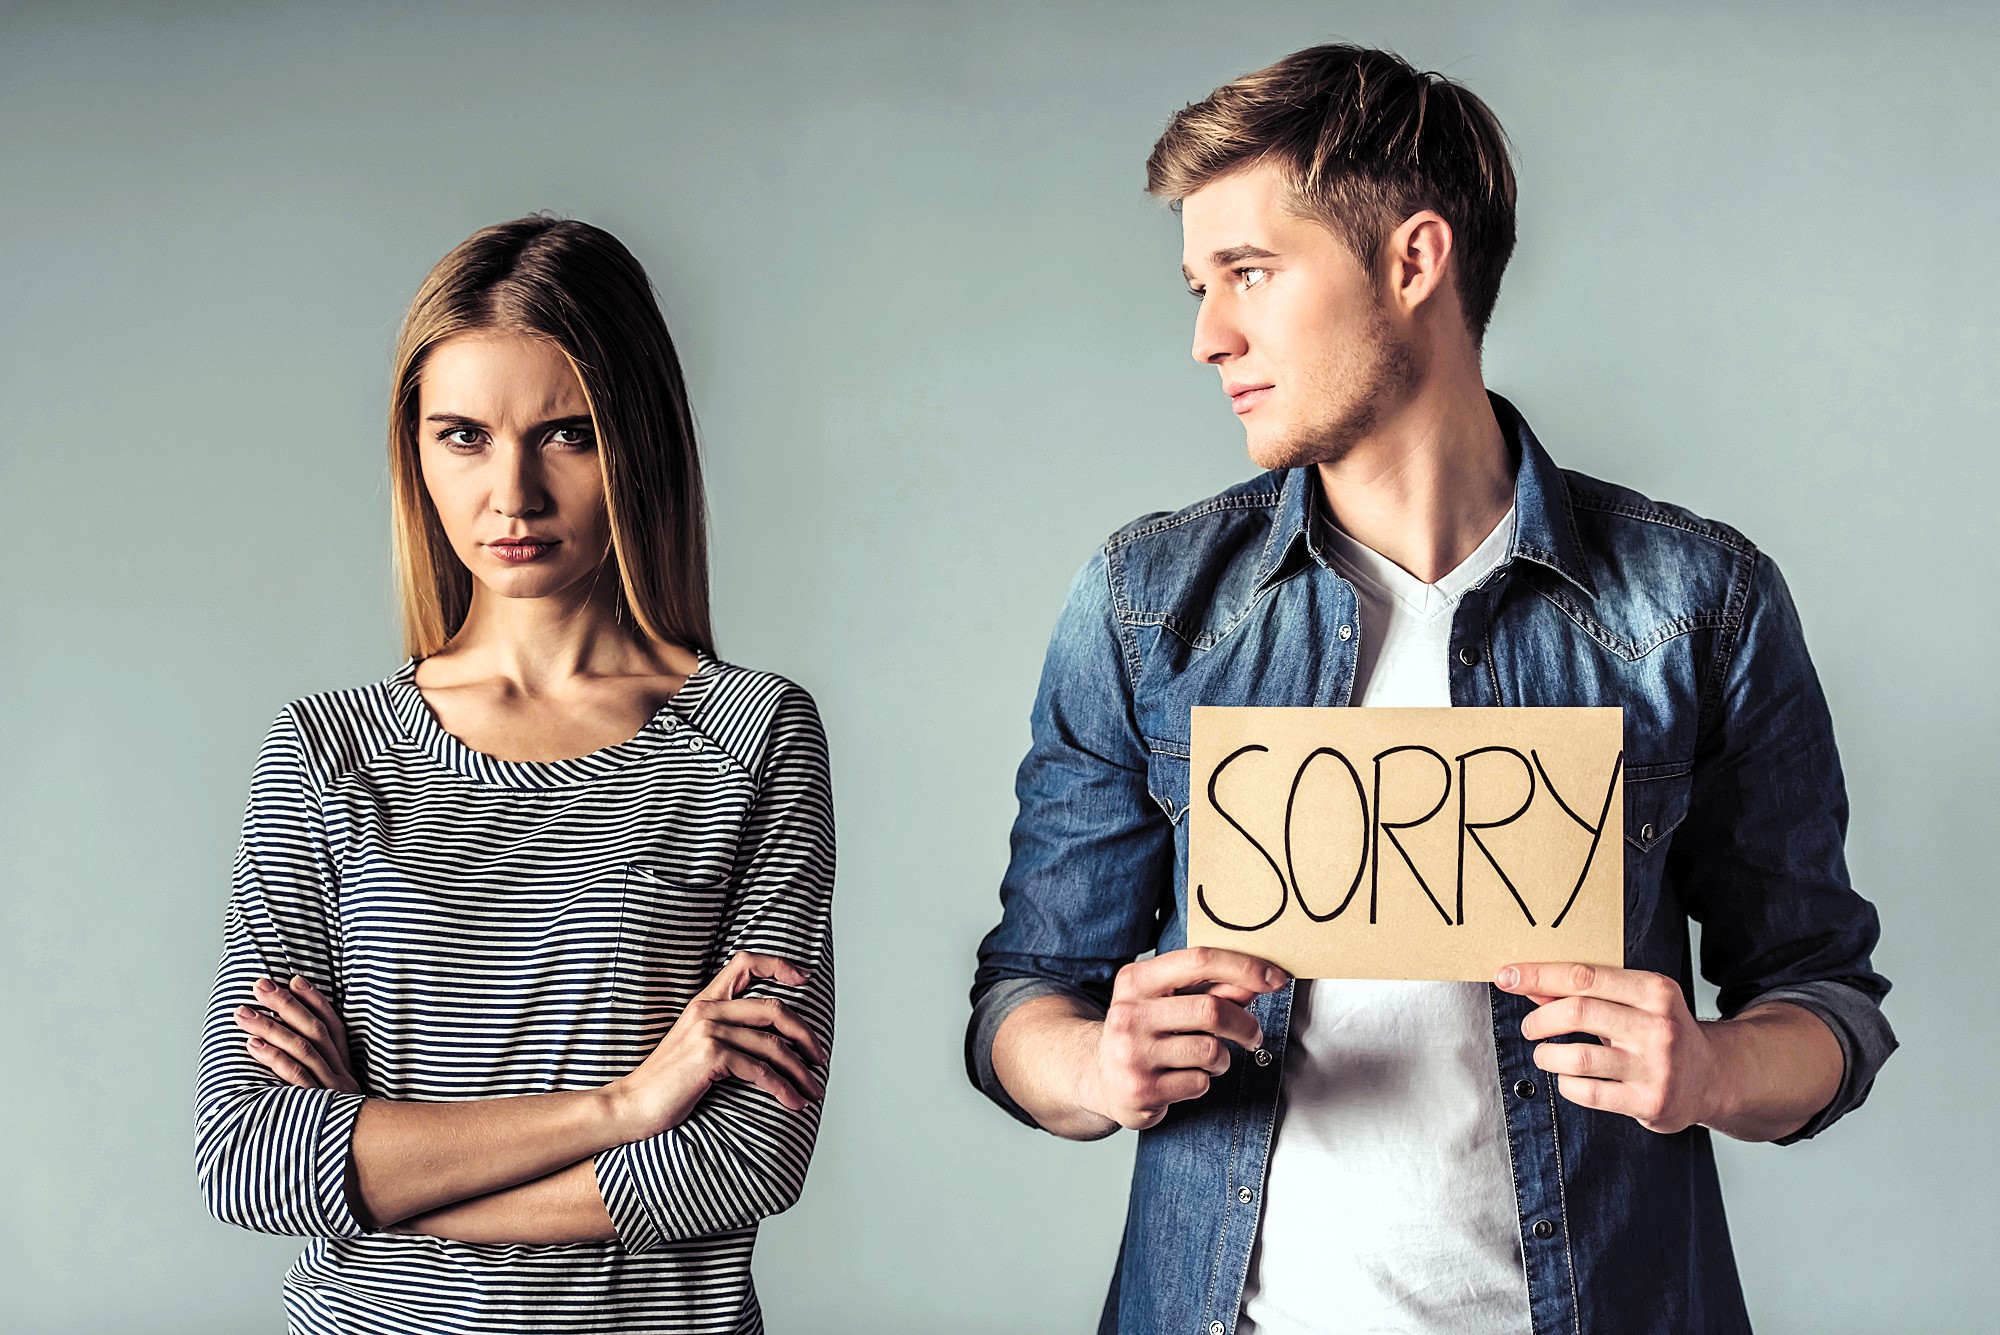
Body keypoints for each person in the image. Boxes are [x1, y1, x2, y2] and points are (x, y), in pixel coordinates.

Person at [967, 44, 1894, 1335]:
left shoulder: (1697, 604)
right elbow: (1024, 995)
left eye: (1249, 273)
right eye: (1197, 284)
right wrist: (1096, 1060)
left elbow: (1828, 1000)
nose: (1205, 337)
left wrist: (1715, 1067)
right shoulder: (1145, 605)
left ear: (1414, 261)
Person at [195, 216, 835, 1334]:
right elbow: (247, 1157)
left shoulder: (751, 735)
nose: (512, 496)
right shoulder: (325, 753)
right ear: (414, 453)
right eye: (462, 436)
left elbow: (743, 1157)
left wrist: (379, 1167)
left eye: (565, 435)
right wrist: (624, 1105)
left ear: (637, 441)